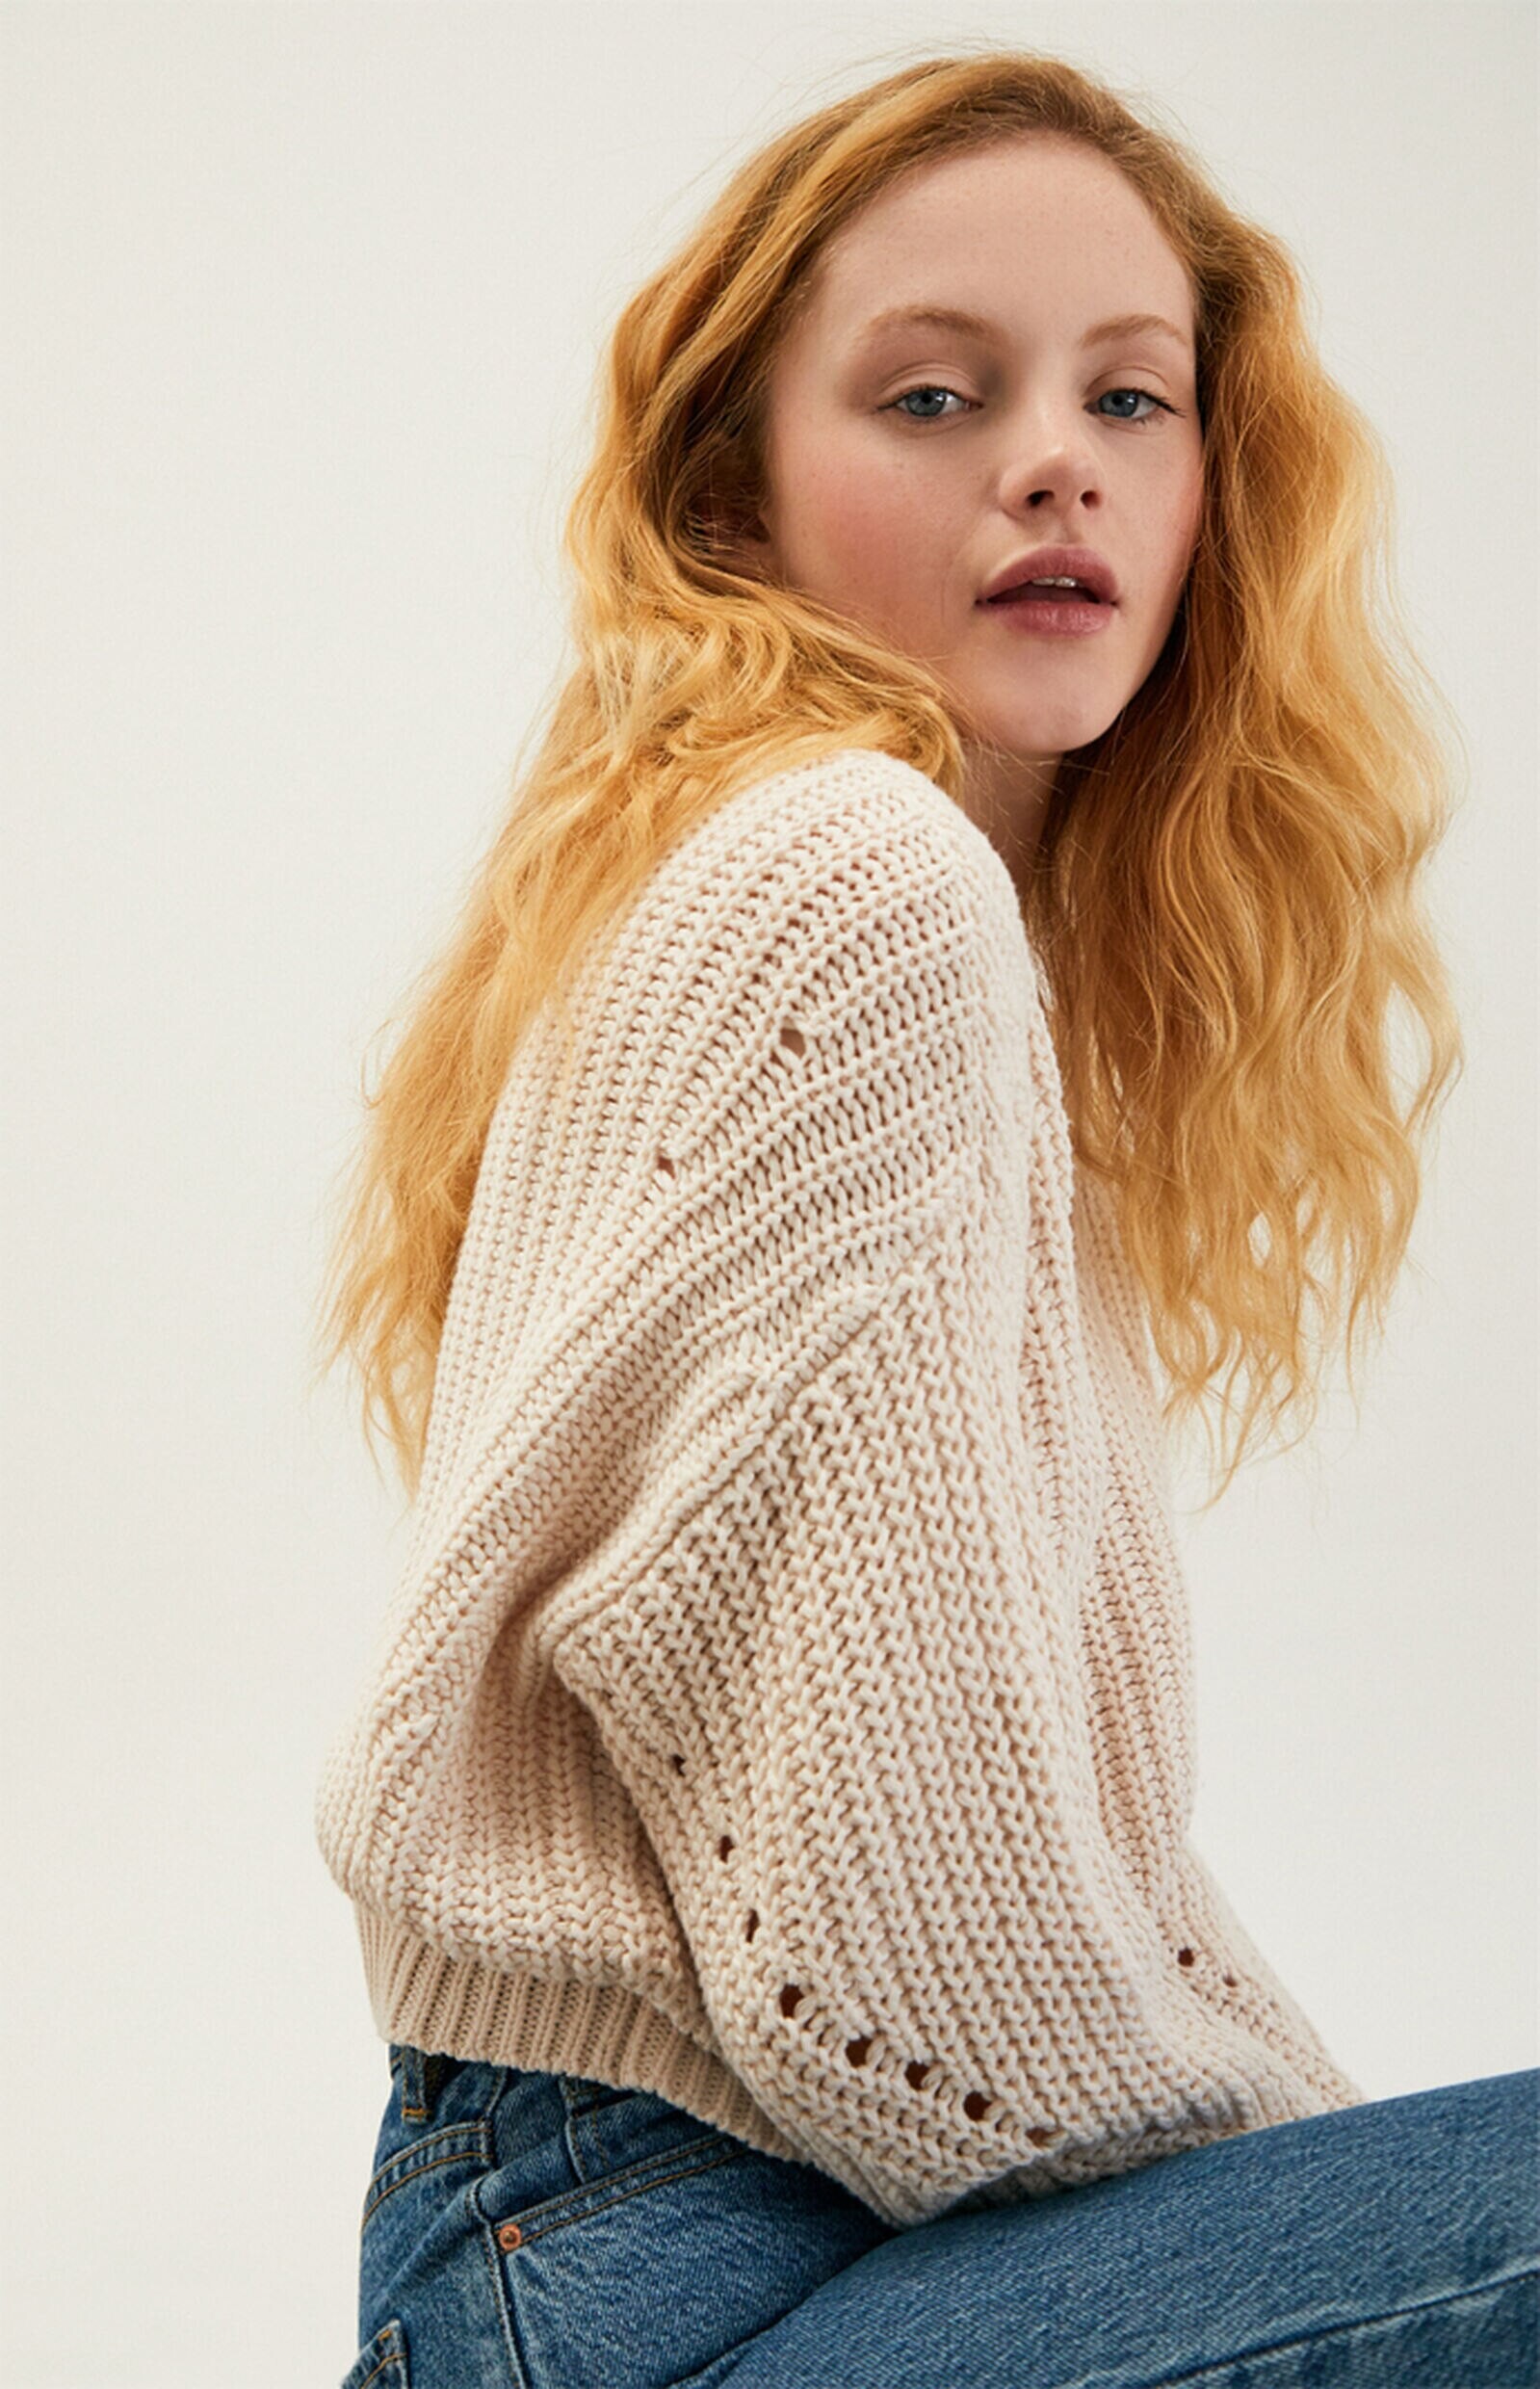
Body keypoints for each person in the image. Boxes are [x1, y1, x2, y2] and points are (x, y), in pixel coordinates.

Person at [311, 45, 1538, 2389]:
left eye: (1129, 398)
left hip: (644, 2255)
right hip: (697, 2269)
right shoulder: (849, 885)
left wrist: (1351, 2196)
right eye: (932, 396)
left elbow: (1050, 1908)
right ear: (735, 500)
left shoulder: (905, 940)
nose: (1053, 460)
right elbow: (901, 1940)